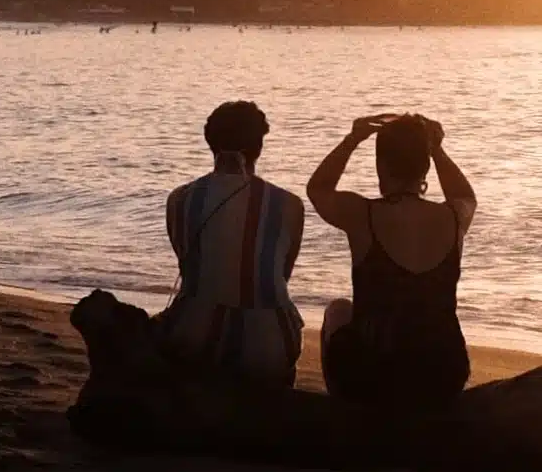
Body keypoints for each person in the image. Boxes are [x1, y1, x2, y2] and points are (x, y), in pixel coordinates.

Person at [308, 111, 475, 409]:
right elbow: (466, 195)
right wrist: (436, 148)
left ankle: (347, 408)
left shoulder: (362, 213)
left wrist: (352, 139)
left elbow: (318, 189)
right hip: (444, 373)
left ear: (381, 166)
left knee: (338, 310)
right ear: (424, 167)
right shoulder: (453, 216)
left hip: (375, 374)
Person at [155, 99, 308, 389]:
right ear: (259, 148)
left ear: (210, 143)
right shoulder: (289, 205)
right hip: (268, 346)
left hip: (194, 339)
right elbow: (281, 276)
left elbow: (190, 268)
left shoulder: (179, 199)